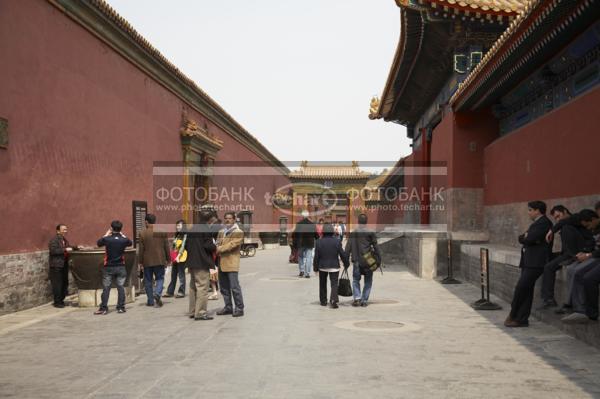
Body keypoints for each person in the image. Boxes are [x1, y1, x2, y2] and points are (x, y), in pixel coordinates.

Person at [504, 201, 553, 327]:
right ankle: (521, 319)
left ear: (537, 210)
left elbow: (529, 238)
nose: (528, 212)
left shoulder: (544, 223)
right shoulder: (536, 224)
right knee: (526, 290)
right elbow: (522, 238)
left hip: (536, 262)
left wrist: (527, 238)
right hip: (528, 261)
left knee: (521, 288)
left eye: (530, 210)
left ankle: (514, 314)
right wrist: (526, 237)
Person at [539, 205, 589, 309]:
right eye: (556, 218)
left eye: (558, 215)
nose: (558, 219)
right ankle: (545, 297)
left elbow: (564, 221)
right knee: (544, 259)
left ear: (565, 211)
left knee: (549, 267)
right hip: (566, 253)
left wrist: (552, 230)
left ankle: (549, 299)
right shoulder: (566, 223)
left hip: (575, 253)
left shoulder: (575, 218)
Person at [562, 209, 600, 324]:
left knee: (580, 273)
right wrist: (584, 252)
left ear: (593, 219)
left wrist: (588, 255)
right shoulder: (593, 228)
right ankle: (574, 305)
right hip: (592, 254)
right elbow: (592, 244)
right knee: (571, 268)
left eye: (588, 225)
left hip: (596, 257)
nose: (587, 228)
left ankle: (581, 310)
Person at [95, 220, 132, 315]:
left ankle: (103, 308)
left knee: (106, 288)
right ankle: (121, 307)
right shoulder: (123, 240)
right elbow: (130, 242)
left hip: (108, 267)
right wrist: (122, 235)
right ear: (121, 229)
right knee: (120, 287)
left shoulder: (107, 239)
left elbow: (98, 243)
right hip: (121, 266)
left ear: (111, 228)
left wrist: (106, 234)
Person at [184, 210, 216, 320]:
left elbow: (186, 245)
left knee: (193, 287)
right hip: (201, 262)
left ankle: (192, 311)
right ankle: (201, 312)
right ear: (210, 219)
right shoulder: (206, 228)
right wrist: (216, 247)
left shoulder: (192, 228)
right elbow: (208, 245)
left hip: (192, 262)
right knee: (202, 287)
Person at [345, 213, 380, 307]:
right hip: (368, 259)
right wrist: (379, 258)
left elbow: (347, 248)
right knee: (368, 281)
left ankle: (357, 298)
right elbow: (376, 247)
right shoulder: (371, 232)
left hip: (356, 260)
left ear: (358, 221)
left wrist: (345, 260)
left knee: (356, 280)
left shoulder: (353, 233)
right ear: (366, 221)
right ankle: (364, 300)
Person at [216, 212, 245, 317]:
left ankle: (239, 308)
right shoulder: (221, 232)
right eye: (226, 218)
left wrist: (219, 249)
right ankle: (228, 307)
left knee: (234, 287)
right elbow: (217, 243)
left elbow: (232, 244)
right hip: (221, 262)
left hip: (232, 262)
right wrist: (217, 247)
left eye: (230, 218)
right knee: (223, 287)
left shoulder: (238, 232)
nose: (227, 220)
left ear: (234, 219)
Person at [138, 214, 171, 308]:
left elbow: (141, 249)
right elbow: (166, 246)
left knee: (148, 280)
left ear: (146, 222)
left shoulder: (142, 233)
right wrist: (169, 259)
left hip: (147, 261)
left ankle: (150, 301)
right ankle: (157, 293)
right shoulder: (162, 231)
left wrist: (140, 262)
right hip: (160, 259)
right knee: (160, 278)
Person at [313, 223, 349, 308]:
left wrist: (315, 268)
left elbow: (316, 257)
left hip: (322, 266)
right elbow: (342, 254)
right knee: (334, 284)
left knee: (322, 284)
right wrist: (346, 263)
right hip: (334, 266)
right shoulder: (337, 241)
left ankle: (323, 301)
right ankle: (333, 300)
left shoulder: (318, 242)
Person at [48, 224, 77, 308]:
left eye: (66, 229)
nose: (65, 231)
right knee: (57, 284)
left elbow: (68, 247)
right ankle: (57, 302)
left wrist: (76, 247)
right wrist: (65, 249)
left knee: (65, 283)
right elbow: (53, 251)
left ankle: (61, 300)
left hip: (64, 264)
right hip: (56, 265)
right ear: (58, 231)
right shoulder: (54, 240)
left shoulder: (64, 239)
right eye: (64, 229)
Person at [164, 219, 187, 298]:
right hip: (175, 256)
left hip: (181, 257)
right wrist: (172, 256)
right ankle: (170, 291)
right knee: (173, 274)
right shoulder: (176, 235)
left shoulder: (185, 235)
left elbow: (183, 246)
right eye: (177, 226)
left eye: (179, 225)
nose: (177, 227)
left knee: (181, 274)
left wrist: (178, 256)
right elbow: (173, 246)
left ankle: (181, 291)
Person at [293, 210, 318, 278]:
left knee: (300, 257)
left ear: (302, 216)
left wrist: (294, 245)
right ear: (308, 216)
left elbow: (295, 235)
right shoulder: (312, 224)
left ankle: (302, 271)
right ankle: (307, 273)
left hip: (300, 244)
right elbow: (316, 235)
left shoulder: (299, 224)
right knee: (309, 258)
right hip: (309, 244)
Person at [208, 211, 223, 301]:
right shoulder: (219, 226)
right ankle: (215, 289)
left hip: (215, 252)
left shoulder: (215, 226)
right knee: (215, 270)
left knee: (213, 270)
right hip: (216, 251)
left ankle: (215, 290)